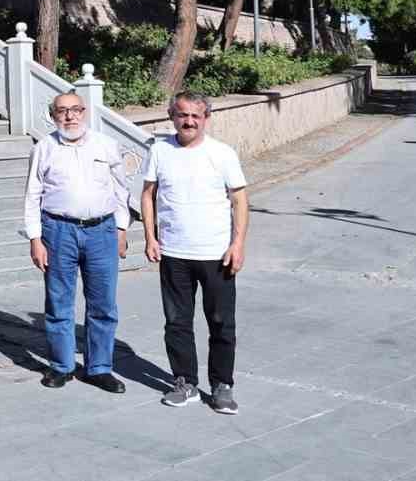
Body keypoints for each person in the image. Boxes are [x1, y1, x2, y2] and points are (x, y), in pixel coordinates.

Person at [142, 91, 248, 415]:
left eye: (195, 116)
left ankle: (221, 386)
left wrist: (238, 243)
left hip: (216, 254)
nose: (188, 121)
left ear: (206, 118)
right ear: (172, 116)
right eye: (182, 115)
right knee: (176, 323)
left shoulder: (222, 153)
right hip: (174, 254)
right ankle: (184, 382)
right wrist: (150, 237)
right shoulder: (159, 151)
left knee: (221, 323)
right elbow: (147, 195)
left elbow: (240, 200)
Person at [22, 92, 131, 395]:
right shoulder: (44, 148)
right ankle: (61, 366)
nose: (69, 116)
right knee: (58, 303)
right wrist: (35, 238)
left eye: (74, 110)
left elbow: (122, 191)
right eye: (61, 111)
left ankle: (99, 368)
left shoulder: (105, 145)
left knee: (103, 304)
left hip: (101, 232)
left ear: (84, 112)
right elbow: (32, 195)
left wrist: (121, 229)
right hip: (58, 232)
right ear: (53, 116)